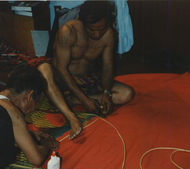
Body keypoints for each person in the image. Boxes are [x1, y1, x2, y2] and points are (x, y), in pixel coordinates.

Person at [38, 0, 135, 137]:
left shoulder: (108, 35)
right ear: (82, 21)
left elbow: (107, 67)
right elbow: (60, 69)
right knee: (43, 69)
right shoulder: (68, 31)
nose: (97, 35)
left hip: (87, 79)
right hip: (62, 79)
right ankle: (70, 115)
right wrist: (84, 99)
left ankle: (70, 100)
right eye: (92, 29)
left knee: (127, 93)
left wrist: (106, 93)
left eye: (102, 29)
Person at [0, 62, 59, 169]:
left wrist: (27, 133)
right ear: (28, 96)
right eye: (35, 101)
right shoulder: (7, 111)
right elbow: (35, 158)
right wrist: (48, 143)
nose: (32, 110)